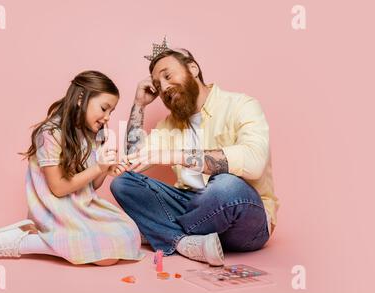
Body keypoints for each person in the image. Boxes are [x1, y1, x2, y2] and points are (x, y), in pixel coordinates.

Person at [111, 43, 279, 266]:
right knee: (122, 183)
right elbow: (134, 161)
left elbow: (255, 162)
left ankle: (162, 233)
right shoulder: (168, 125)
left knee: (225, 185)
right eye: (157, 85)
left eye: (168, 75)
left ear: (193, 68)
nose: (164, 87)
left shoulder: (241, 105)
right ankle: (184, 241)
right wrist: (139, 105)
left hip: (243, 215)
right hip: (192, 205)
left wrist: (176, 155)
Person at [0, 70, 144, 266]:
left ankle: (61, 241)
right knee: (107, 256)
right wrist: (98, 167)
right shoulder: (51, 133)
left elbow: (92, 186)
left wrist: (106, 169)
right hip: (56, 210)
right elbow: (58, 188)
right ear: (81, 98)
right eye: (104, 108)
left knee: (129, 231)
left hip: (81, 206)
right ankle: (22, 242)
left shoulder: (93, 134)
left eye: (111, 111)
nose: (107, 117)